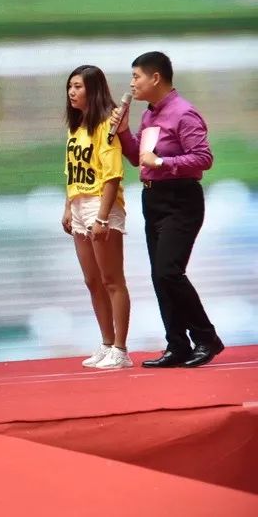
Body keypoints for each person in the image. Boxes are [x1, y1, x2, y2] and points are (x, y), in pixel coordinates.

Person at [111, 51, 221, 368]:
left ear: (155, 77)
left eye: (136, 76)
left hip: (180, 199)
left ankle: (206, 338)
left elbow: (203, 158)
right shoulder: (149, 115)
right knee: (160, 276)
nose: (132, 83)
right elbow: (138, 158)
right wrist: (123, 132)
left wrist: (162, 162)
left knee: (169, 271)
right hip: (153, 198)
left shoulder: (183, 113)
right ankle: (177, 345)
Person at [61, 66, 132, 370]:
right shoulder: (76, 127)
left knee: (112, 280)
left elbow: (113, 175)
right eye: (70, 86)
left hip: (101, 206)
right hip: (78, 204)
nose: (71, 92)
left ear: (93, 89)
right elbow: (71, 170)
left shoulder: (107, 125)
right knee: (92, 281)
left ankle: (121, 349)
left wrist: (102, 218)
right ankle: (106, 343)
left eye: (78, 86)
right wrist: (68, 207)